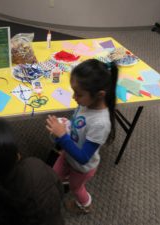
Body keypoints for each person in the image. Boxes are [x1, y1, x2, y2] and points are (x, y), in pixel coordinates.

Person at [46, 59, 118, 214]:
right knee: (54, 174)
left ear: (100, 95)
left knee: (75, 187)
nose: (74, 97)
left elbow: (84, 157)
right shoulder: (86, 104)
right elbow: (78, 123)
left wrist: (62, 136)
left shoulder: (101, 123)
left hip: (81, 167)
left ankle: (85, 205)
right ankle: (62, 181)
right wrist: (67, 124)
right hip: (68, 154)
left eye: (78, 94)